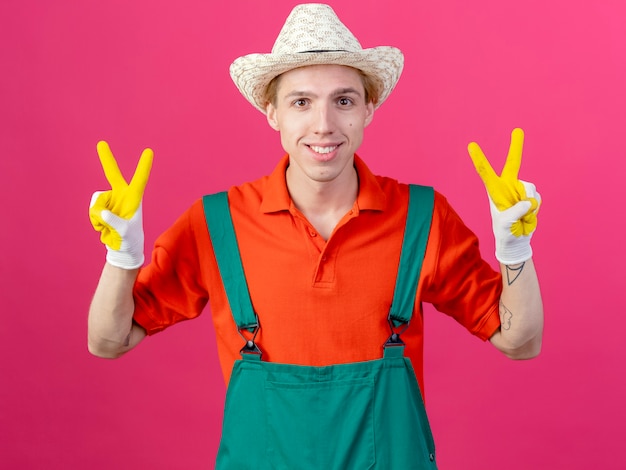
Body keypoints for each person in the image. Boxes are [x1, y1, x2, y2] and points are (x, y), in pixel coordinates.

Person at [88, 4, 543, 468]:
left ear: (368, 108)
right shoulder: (216, 223)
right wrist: (121, 257)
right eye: (301, 102)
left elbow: (520, 341)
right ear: (272, 112)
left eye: (343, 100)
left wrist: (515, 249)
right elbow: (107, 340)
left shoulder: (422, 219)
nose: (323, 124)